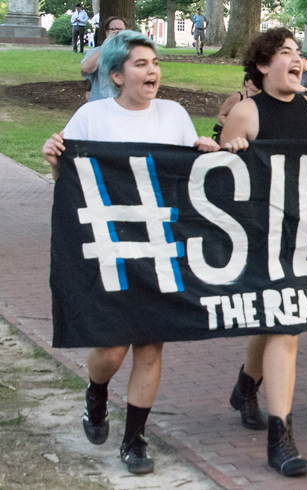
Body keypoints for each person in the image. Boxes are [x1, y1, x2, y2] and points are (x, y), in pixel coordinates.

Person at [41, 30, 220, 475]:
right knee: (112, 348)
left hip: (160, 246)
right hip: (109, 247)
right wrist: (53, 154)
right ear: (116, 75)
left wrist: (205, 151)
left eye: (155, 62)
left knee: (151, 345)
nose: (153, 71)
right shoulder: (91, 116)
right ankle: (96, 391)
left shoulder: (174, 114)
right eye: (141, 64)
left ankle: (134, 440)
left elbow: (186, 175)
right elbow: (69, 172)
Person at [220, 27, 307, 477]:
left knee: (277, 322)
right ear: (263, 66)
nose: (297, 60)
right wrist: (232, 151)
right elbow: (221, 181)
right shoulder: (247, 112)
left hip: (303, 236)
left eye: (299, 54)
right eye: (285, 53)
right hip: (259, 236)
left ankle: (247, 385)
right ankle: (281, 435)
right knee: (285, 326)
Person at [80, 16, 125, 103]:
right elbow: (85, 70)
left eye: (121, 30)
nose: (117, 33)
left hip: (123, 108)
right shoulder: (94, 53)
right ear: (107, 32)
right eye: (113, 30)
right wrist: (105, 46)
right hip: (100, 106)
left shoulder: (133, 53)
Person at [212, 73, 260, 141]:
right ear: (246, 82)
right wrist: (231, 128)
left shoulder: (262, 100)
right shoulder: (238, 97)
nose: (257, 82)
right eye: (253, 80)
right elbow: (221, 115)